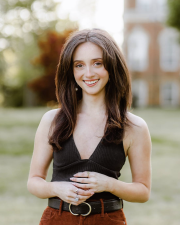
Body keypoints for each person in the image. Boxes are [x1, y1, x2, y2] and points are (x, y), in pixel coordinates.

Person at [27, 28, 151, 225]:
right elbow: (33, 181)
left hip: (108, 220)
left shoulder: (134, 126)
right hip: (56, 219)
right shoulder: (52, 120)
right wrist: (57, 188)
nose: (89, 73)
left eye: (97, 63)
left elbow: (143, 191)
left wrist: (108, 184)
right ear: (71, 70)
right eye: (79, 65)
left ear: (111, 66)